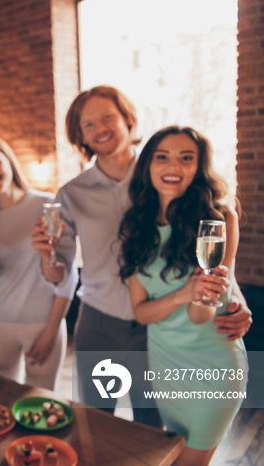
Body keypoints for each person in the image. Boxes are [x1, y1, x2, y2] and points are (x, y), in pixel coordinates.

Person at [31, 85, 251, 427]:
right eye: (88, 124)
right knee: (96, 420)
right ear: (81, 136)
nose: (100, 128)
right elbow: (61, 272)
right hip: (99, 322)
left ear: (127, 120)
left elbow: (214, 257)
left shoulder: (166, 173)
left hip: (162, 328)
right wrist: (47, 257)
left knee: (151, 428)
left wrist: (237, 300)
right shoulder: (72, 194)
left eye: (108, 117)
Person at [119, 126, 246, 465]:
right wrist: (182, 294)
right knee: (172, 454)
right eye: (162, 157)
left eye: (186, 158)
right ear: (147, 165)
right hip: (165, 361)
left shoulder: (218, 220)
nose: (172, 166)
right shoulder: (137, 224)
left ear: (199, 167)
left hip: (213, 363)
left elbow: (201, 315)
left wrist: (198, 295)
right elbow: (141, 313)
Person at [0, 137, 78, 390]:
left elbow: (66, 276)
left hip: (43, 322)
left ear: (10, 161)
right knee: (2, 397)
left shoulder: (47, 204)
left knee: (42, 397)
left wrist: (52, 331)